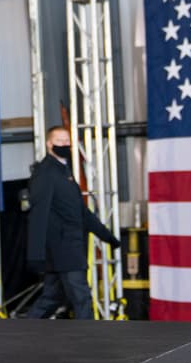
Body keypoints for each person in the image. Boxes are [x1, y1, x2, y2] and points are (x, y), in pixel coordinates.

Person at [25, 126, 121, 320]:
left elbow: (80, 211)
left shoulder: (64, 171)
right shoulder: (45, 172)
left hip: (70, 246)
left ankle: (21, 331)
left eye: (67, 141)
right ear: (49, 144)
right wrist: (36, 253)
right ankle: (88, 336)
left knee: (51, 297)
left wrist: (108, 237)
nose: (65, 144)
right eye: (60, 141)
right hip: (63, 247)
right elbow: (39, 213)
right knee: (81, 297)